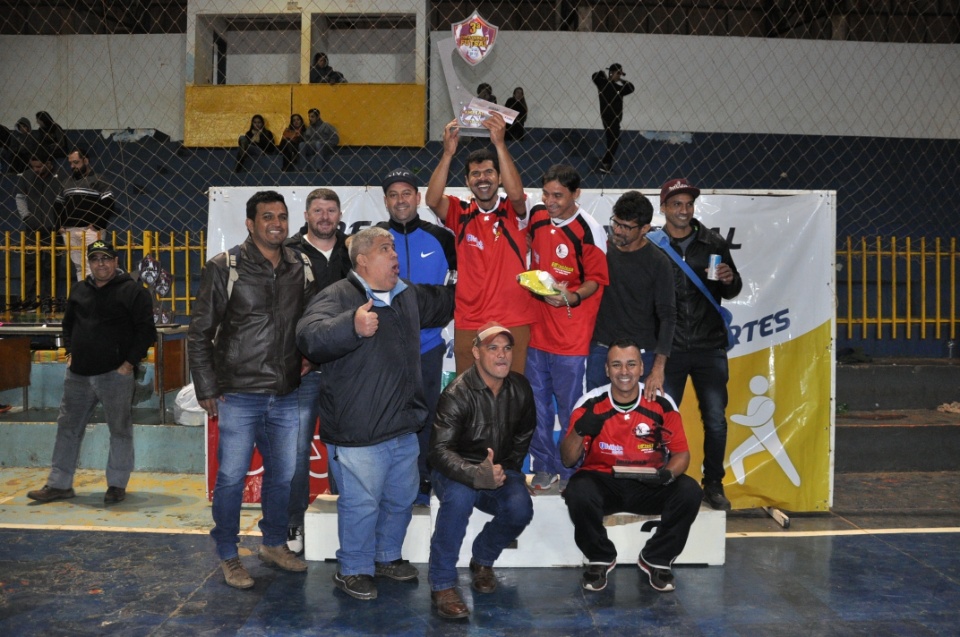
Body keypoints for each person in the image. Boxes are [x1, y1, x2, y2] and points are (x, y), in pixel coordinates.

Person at [296, 227, 455, 601]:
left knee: (400, 498)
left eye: (395, 249)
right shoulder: (337, 296)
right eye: (386, 249)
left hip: (403, 426)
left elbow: (448, 300)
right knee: (361, 503)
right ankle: (353, 568)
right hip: (358, 429)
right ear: (363, 260)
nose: (395, 255)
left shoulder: (406, 295)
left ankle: (386, 557)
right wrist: (350, 325)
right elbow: (309, 337)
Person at [188, 190, 315, 589]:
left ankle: (274, 543)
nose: (276, 223)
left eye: (282, 216)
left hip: (287, 392)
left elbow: (311, 321)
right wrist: (206, 385)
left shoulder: (301, 265)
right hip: (238, 393)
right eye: (267, 217)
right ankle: (228, 553)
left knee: (283, 475)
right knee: (230, 478)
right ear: (250, 223)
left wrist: (309, 354)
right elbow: (199, 332)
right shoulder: (225, 266)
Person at [560, 339, 702, 593]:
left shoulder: (662, 402)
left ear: (641, 369)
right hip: (603, 485)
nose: (624, 372)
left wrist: (666, 475)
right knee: (577, 489)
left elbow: (682, 454)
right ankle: (600, 558)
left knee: (689, 490)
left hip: (649, 484)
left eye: (630, 364)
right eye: (616, 364)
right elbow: (568, 459)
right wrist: (580, 431)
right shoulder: (590, 403)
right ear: (606, 370)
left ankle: (656, 558)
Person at [26, 240, 156, 505]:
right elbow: (68, 325)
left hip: (115, 375)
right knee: (67, 428)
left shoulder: (133, 292)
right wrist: (71, 353)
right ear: (89, 263)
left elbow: (146, 332)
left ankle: (117, 485)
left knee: (120, 430)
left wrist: (128, 364)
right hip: (78, 376)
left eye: (106, 258)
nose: (101, 264)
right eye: (95, 259)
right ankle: (59, 485)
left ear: (116, 262)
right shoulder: (79, 290)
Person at [427, 322, 536, 619]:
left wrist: (507, 471)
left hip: (497, 471)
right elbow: (438, 451)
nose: (501, 355)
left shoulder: (521, 388)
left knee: (519, 507)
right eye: (492, 348)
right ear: (476, 352)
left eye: (506, 348)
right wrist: (475, 474)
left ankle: (483, 560)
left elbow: (523, 436)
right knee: (460, 498)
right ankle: (442, 583)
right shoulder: (457, 393)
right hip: (454, 471)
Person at [655, 178, 742, 512]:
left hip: (709, 347)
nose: (683, 210)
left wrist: (730, 280)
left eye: (688, 204)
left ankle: (714, 484)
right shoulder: (653, 244)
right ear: (664, 207)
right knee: (663, 418)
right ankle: (663, 480)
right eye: (676, 204)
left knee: (716, 420)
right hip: (670, 348)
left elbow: (733, 289)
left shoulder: (713, 242)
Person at [425, 113, 535, 375]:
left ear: (499, 178)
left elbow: (517, 194)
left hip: (514, 316)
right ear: (467, 181)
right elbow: (431, 200)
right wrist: (448, 153)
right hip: (470, 318)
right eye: (475, 174)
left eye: (489, 172)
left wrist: (500, 144)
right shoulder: (459, 211)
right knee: (470, 397)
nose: (482, 179)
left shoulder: (516, 209)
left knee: (512, 396)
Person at [377, 167, 457, 507]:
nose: (400, 200)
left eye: (406, 193)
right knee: (386, 419)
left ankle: (424, 484)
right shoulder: (373, 238)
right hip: (383, 350)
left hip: (428, 348)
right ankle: (388, 488)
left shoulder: (441, 239)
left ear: (418, 197)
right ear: (385, 201)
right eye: (393, 195)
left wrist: (411, 302)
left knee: (427, 419)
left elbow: (452, 296)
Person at [525, 164, 608, 491]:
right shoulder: (537, 217)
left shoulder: (589, 230)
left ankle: (572, 471)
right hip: (536, 331)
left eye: (558, 195)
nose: (550, 201)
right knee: (537, 408)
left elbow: (597, 281)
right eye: (546, 193)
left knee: (573, 410)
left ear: (576, 194)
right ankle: (543, 467)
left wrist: (572, 296)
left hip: (572, 339)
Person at [283, 188, 351, 555]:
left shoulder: (354, 251)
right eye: (318, 210)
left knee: (347, 449)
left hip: (346, 369)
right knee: (296, 452)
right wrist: (299, 354)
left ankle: (348, 521)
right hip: (305, 371)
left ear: (340, 214)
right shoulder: (290, 253)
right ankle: (294, 522)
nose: (325, 217)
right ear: (307, 214)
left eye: (331, 210)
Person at [586, 191, 676, 398]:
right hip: (602, 351)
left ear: (645, 228)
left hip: (644, 355)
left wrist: (659, 367)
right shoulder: (601, 251)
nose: (617, 230)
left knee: (645, 425)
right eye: (615, 223)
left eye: (626, 227)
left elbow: (668, 317)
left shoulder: (658, 263)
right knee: (597, 421)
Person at [55, 148, 117, 280]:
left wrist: (98, 224)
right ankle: (85, 297)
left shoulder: (99, 179)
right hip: (70, 230)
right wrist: (60, 226)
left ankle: (94, 297)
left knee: (93, 265)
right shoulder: (66, 182)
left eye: (76, 162)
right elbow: (58, 205)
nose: (73, 166)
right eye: (71, 163)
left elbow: (109, 203)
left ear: (86, 160)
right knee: (79, 266)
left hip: (91, 230)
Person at [15, 150, 61, 306]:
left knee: (51, 265)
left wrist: (59, 222)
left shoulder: (60, 176)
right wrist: (27, 218)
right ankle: (29, 299)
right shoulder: (26, 176)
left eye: (39, 166)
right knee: (30, 264)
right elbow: (20, 198)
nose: (36, 170)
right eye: (33, 166)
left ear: (49, 164)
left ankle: (49, 299)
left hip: (54, 229)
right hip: (31, 228)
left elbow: (66, 200)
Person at [591, 63, 634, 174]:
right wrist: (604, 75)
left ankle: (606, 164)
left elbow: (631, 88)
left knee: (613, 140)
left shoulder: (618, 88)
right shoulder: (603, 84)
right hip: (608, 117)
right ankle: (606, 164)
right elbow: (595, 76)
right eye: (618, 73)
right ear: (611, 72)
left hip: (616, 118)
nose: (619, 75)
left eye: (621, 73)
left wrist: (621, 80)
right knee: (614, 139)